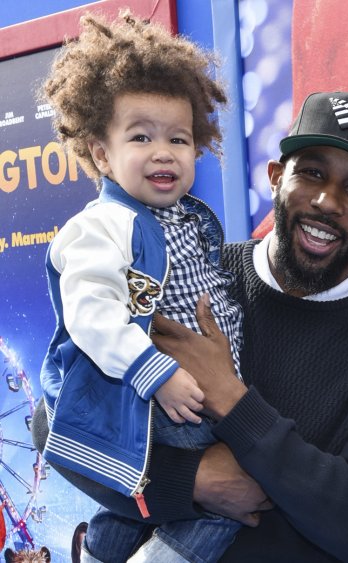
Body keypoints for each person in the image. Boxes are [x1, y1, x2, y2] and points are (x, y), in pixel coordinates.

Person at [32, 89, 348, 562]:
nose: (328, 200)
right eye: (312, 172)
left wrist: (231, 400)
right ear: (275, 177)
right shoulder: (192, 277)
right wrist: (193, 480)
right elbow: (54, 419)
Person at [38, 12, 243, 562]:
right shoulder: (101, 226)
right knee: (239, 492)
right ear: (101, 154)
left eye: (179, 138)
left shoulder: (189, 220)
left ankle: (103, 550)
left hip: (194, 393)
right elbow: (91, 313)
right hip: (147, 394)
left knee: (145, 494)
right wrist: (157, 374)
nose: (163, 152)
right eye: (140, 136)